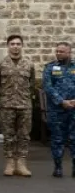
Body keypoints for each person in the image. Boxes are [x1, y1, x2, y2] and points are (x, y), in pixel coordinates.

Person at [0, 35, 36, 177]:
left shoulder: (29, 64)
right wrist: (6, 97)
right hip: (7, 105)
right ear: (8, 46)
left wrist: (24, 97)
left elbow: (32, 85)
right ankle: (10, 163)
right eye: (12, 44)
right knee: (8, 136)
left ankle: (21, 163)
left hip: (25, 105)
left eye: (18, 44)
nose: (15, 46)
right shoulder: (0, 64)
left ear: (22, 45)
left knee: (24, 136)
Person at [42, 42, 75, 178]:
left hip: (74, 108)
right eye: (57, 51)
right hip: (56, 110)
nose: (58, 53)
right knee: (57, 139)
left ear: (69, 52)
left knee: (74, 138)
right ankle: (58, 167)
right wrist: (62, 102)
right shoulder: (50, 68)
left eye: (62, 51)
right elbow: (48, 87)